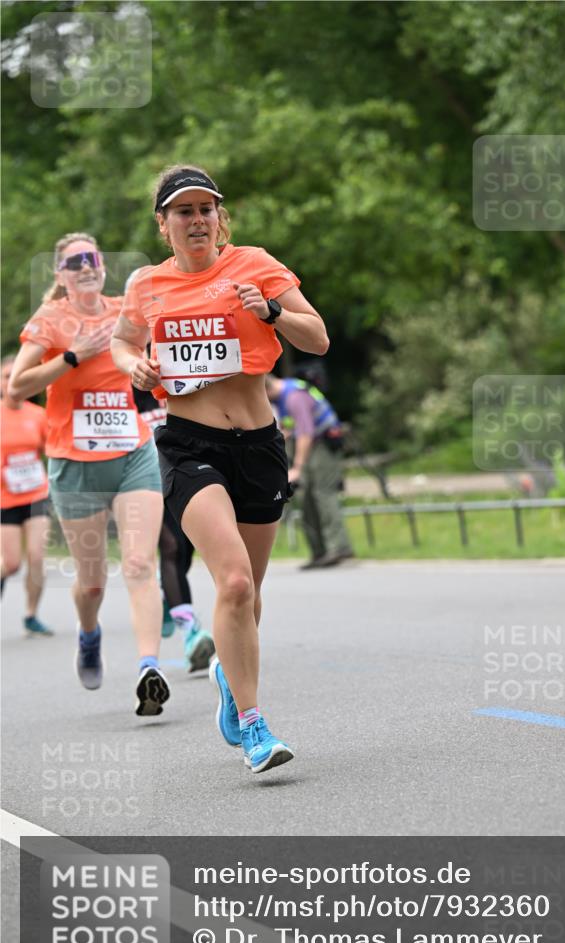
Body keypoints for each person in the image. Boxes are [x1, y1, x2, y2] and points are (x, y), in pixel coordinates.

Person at [111, 163, 328, 773]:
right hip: (188, 445)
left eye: (207, 209)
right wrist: (135, 364)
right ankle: (256, 730)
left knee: (249, 595)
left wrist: (271, 314)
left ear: (219, 217)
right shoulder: (147, 285)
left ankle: (232, 687)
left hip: (258, 444)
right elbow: (124, 341)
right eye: (184, 211)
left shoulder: (255, 265)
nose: (198, 219)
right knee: (231, 581)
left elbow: (317, 338)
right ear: (164, 224)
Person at [8, 234, 169, 716]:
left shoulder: (125, 308)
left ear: (102, 267)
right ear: (60, 274)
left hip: (132, 452)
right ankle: (89, 633)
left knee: (140, 564)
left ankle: (148, 668)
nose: (85, 267)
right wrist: (72, 355)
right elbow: (17, 386)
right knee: (93, 583)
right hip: (74, 463)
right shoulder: (49, 320)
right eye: (74, 262)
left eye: (92, 258)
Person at [133, 381, 215, 669]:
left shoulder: (176, 374)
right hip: (145, 484)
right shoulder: (123, 385)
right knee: (170, 548)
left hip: (182, 474)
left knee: (185, 551)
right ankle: (190, 631)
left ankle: (168, 592)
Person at [265, 374, 354, 569]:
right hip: (311, 445)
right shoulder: (282, 397)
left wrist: (297, 467)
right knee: (305, 498)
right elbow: (291, 427)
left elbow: (306, 433)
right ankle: (319, 552)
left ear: (267, 390)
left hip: (322, 445)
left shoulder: (294, 397)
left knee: (323, 493)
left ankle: (338, 548)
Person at [0, 354, 53, 635]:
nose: (11, 381)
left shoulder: (37, 415)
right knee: (10, 563)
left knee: (36, 556)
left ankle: (31, 614)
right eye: (6, 376)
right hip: (5, 500)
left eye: (15, 375)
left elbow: (50, 451)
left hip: (35, 494)